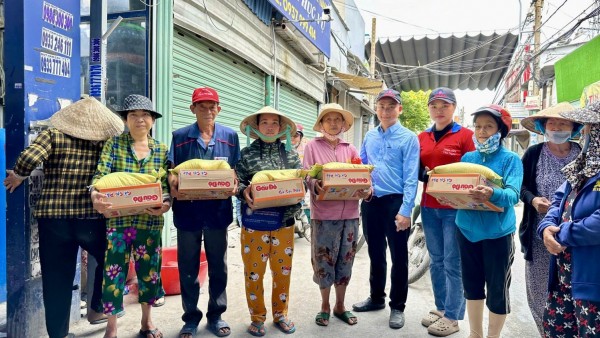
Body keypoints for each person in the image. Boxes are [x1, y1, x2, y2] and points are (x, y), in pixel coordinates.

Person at [3, 97, 124, 338]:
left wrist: (19, 175)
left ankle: (58, 334)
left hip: (54, 219)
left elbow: (28, 158)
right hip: (91, 218)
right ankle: (99, 305)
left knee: (56, 279)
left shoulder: (52, 135)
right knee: (112, 258)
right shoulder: (106, 142)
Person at [90, 94, 170, 338]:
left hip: (150, 221)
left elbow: (165, 187)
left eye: (145, 115)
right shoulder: (114, 145)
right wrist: (95, 195)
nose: (139, 120)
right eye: (133, 115)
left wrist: (165, 204)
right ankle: (111, 327)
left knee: (150, 271)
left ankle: (146, 322)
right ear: (125, 120)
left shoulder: (161, 150)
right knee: (113, 273)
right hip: (118, 221)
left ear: (152, 121)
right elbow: (99, 176)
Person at [167, 87, 240, 338]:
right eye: (202, 106)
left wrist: (234, 182)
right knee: (188, 265)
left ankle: (216, 315)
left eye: (212, 107)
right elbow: (171, 169)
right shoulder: (180, 137)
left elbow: (236, 170)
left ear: (219, 109)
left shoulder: (230, 136)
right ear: (193, 109)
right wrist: (172, 182)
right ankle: (190, 318)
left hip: (218, 211)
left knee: (218, 265)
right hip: (187, 212)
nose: (207, 111)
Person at [352, 89, 419, 330]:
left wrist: (405, 210)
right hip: (371, 202)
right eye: (381, 106)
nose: (386, 111)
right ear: (376, 109)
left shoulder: (409, 138)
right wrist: (363, 187)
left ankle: (398, 306)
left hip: (396, 203)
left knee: (399, 257)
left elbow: (411, 177)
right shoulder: (370, 136)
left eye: (391, 106)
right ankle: (377, 297)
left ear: (399, 109)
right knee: (375, 252)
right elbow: (361, 166)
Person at [455, 105, 523, 338]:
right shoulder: (468, 158)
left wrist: (492, 193)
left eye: (488, 126)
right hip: (466, 229)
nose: (482, 131)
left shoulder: (511, 160)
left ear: (500, 131)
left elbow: (514, 195)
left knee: (497, 289)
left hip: (498, 233)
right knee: (471, 285)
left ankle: (493, 336)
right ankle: (475, 334)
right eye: (478, 126)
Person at [303, 103, 371, 327]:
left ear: (343, 124)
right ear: (321, 124)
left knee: (346, 260)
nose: (333, 124)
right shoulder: (312, 146)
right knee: (324, 261)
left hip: (350, 214)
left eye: (337, 120)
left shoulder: (350, 149)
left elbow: (361, 176)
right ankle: (324, 305)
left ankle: (340, 305)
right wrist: (316, 185)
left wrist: (367, 190)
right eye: (328, 119)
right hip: (323, 214)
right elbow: (307, 177)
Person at [235, 106, 301, 336]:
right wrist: (244, 192)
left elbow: (300, 185)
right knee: (254, 271)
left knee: (282, 271)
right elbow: (238, 183)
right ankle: (256, 317)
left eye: (275, 123)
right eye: (265, 123)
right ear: (256, 127)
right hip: (255, 222)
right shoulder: (246, 154)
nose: (270, 127)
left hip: (284, 222)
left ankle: (280, 314)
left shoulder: (292, 156)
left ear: (282, 128)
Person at [518, 102, 582, 336]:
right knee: (539, 287)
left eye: (562, 123)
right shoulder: (534, 154)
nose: (556, 127)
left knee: (571, 286)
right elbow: (520, 186)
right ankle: (545, 331)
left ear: (573, 127)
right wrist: (534, 200)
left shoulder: (582, 153)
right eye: (552, 123)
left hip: (575, 233)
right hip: (539, 232)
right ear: (543, 126)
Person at [537, 101, 600, 338]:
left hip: (592, 284)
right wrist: (545, 229)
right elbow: (558, 201)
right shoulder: (583, 167)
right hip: (564, 277)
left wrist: (561, 233)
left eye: (588, 127)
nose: (583, 132)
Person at [417, 88, 474, 336]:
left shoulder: (465, 136)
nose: (439, 110)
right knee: (436, 261)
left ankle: (453, 317)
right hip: (429, 206)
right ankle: (442, 308)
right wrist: (424, 174)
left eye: (445, 105)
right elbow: (417, 168)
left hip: (454, 208)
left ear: (453, 108)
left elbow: (473, 169)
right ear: (429, 108)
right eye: (435, 105)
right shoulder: (422, 136)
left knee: (452, 261)